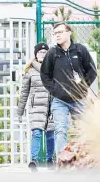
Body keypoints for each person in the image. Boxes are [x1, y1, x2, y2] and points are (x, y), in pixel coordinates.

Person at [40, 22, 97, 157]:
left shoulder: (80, 50)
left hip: (79, 99)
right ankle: (63, 161)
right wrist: (55, 90)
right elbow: (44, 75)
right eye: (55, 33)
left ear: (69, 32)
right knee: (60, 130)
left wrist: (82, 87)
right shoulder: (52, 53)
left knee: (83, 130)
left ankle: (84, 160)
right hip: (59, 101)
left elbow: (92, 71)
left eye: (60, 32)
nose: (57, 35)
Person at [17, 42, 55, 172]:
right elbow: (24, 93)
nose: (42, 54)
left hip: (51, 107)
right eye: (40, 52)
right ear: (35, 54)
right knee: (37, 133)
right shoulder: (30, 71)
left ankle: (50, 159)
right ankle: (34, 160)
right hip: (36, 107)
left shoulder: (53, 70)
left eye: (45, 52)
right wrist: (20, 112)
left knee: (50, 134)